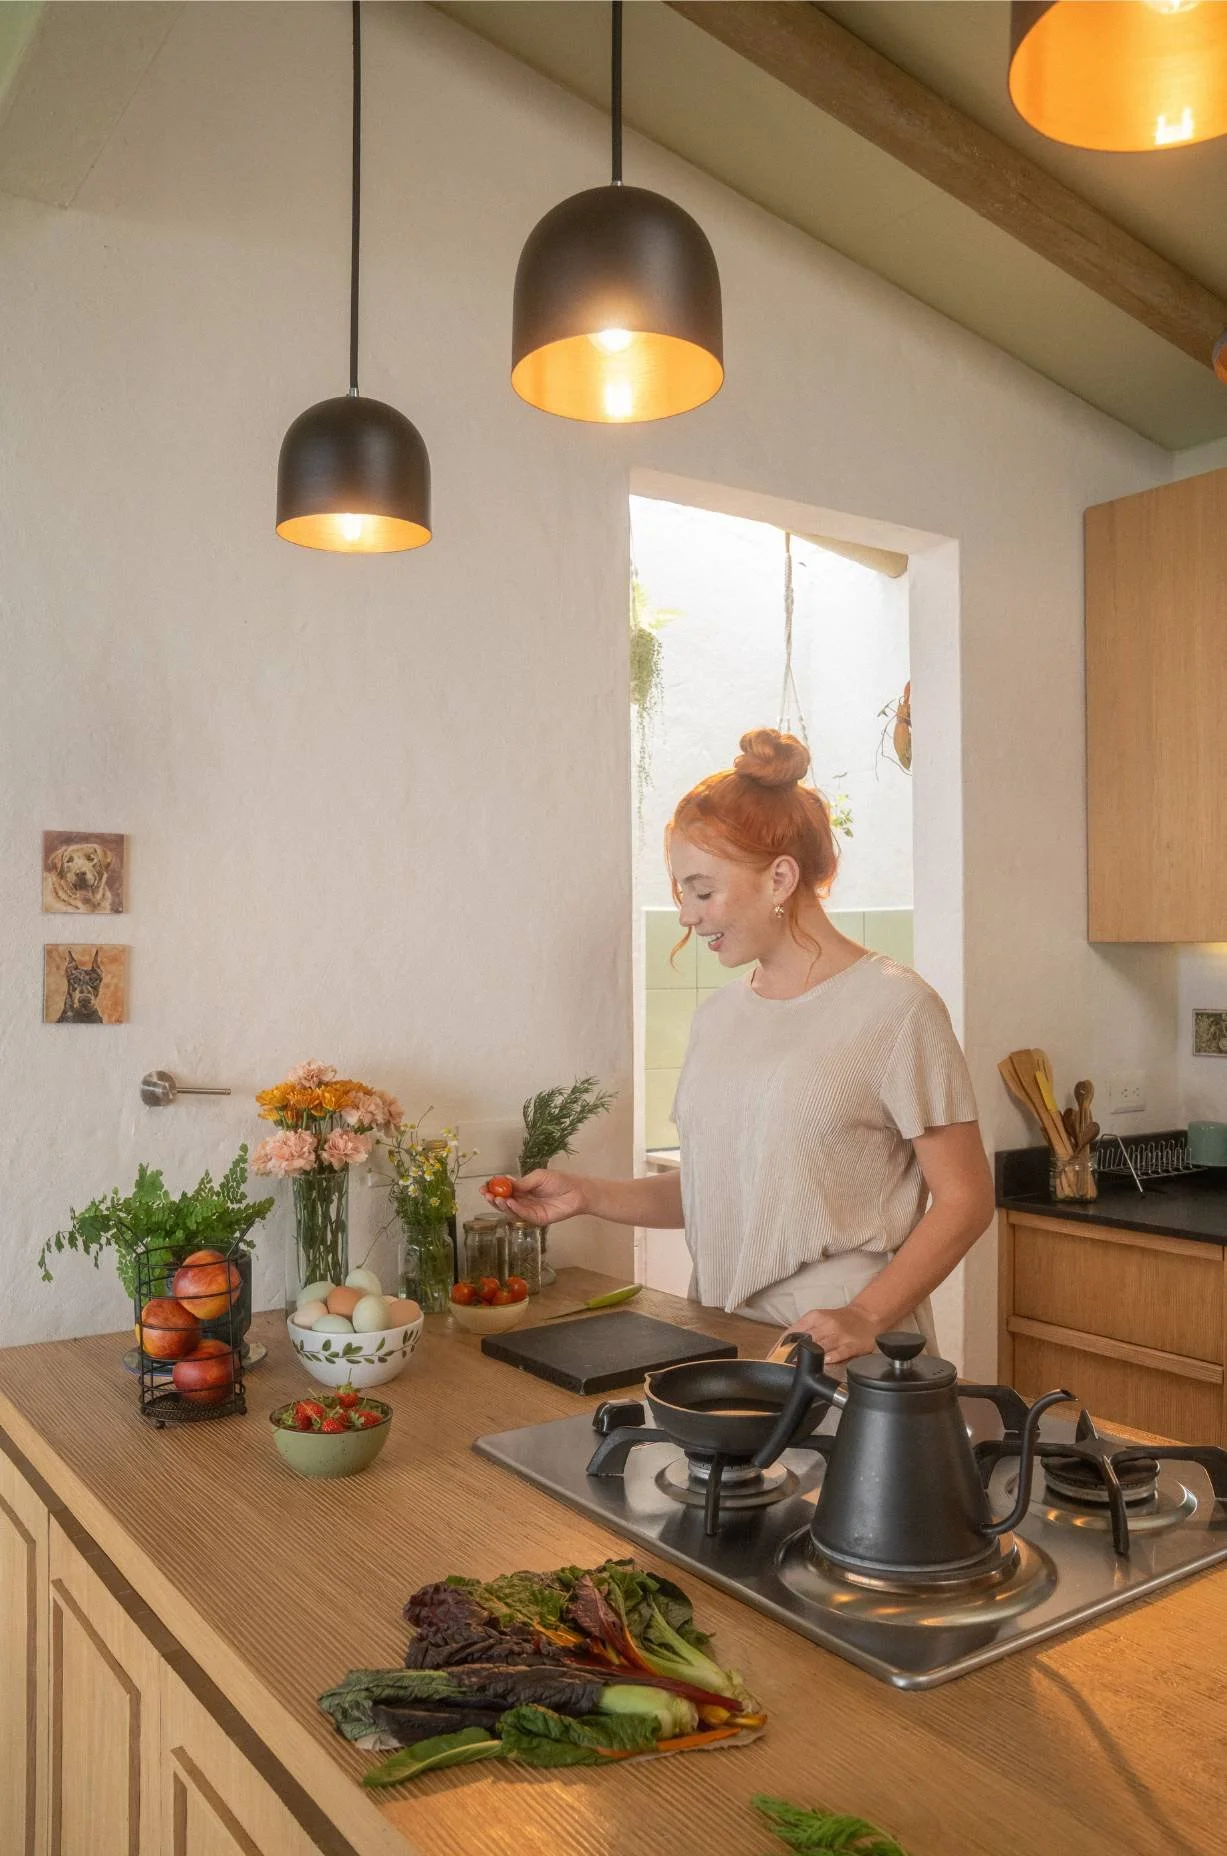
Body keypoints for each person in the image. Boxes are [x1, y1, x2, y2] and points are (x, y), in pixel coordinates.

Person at [486, 727, 995, 1367]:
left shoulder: (895, 1008)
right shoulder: (719, 1017)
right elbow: (719, 1190)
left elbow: (967, 1198)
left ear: (780, 877)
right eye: (682, 895)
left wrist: (866, 1314)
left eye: (702, 890)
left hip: (837, 1337)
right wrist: (585, 1194)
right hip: (719, 1327)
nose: (688, 917)